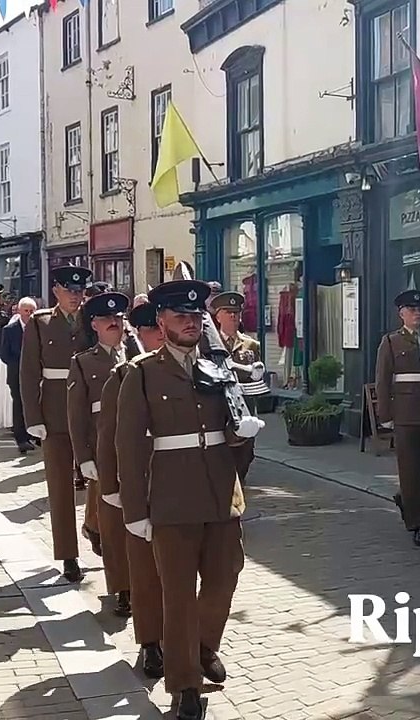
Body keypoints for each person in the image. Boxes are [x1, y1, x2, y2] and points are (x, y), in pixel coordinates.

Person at [116, 279, 260, 719]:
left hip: (220, 493)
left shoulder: (221, 367)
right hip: (172, 497)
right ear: (161, 322)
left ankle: (201, 646)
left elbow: (234, 430)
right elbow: (128, 444)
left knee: (224, 579)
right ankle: (185, 686)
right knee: (177, 594)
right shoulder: (142, 372)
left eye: (196, 317)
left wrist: (242, 436)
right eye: (181, 317)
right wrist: (135, 510)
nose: (190, 324)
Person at [99, 301, 165, 678]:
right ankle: (150, 644)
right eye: (154, 330)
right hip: (139, 484)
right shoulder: (125, 375)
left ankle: (182, 644)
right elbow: (109, 436)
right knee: (143, 571)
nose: (161, 337)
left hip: (178, 485)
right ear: (142, 333)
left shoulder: (194, 372)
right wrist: (111, 486)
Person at [21, 265, 94, 583]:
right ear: (56, 292)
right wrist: (33, 417)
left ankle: (95, 525)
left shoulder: (92, 319)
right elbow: (27, 373)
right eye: (69, 291)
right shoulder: (40, 323)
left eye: (79, 291)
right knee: (60, 487)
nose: (76, 297)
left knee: (102, 478)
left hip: (91, 410)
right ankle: (68, 555)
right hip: (54, 412)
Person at [68, 291, 133, 617]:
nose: (114, 324)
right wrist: (84, 458)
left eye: (118, 319)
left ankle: (135, 582)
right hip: (104, 453)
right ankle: (122, 589)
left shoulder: (137, 356)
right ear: (94, 325)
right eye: (107, 320)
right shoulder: (84, 362)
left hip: (137, 450)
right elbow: (76, 416)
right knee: (112, 526)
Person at [375, 289, 420, 548]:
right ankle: (418, 525)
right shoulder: (391, 342)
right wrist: (386, 415)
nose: (417, 313)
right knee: (409, 469)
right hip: (405, 412)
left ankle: (407, 496)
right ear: (401, 313)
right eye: (412, 310)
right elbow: (383, 380)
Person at [210, 290, 266, 484]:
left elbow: (257, 378)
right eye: (228, 312)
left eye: (236, 312)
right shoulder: (208, 345)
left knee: (245, 453)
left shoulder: (251, 345)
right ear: (218, 316)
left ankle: (238, 487)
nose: (233, 316)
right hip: (218, 410)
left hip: (245, 408)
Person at [0, 298, 37, 453]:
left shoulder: (39, 328)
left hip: (36, 373)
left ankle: (34, 435)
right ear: (19, 311)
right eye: (26, 311)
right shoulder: (10, 330)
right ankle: (21, 438)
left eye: (31, 311)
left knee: (35, 403)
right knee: (19, 404)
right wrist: (18, 365)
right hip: (16, 373)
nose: (29, 314)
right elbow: (4, 354)